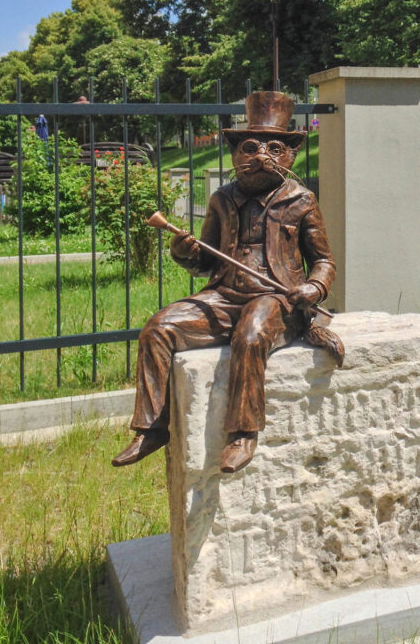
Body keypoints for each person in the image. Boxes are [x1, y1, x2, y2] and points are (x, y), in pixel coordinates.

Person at [112, 91, 340, 473]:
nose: (261, 155)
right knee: (159, 327)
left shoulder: (301, 200)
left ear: (290, 156)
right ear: (235, 155)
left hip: (276, 302)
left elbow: (324, 261)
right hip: (223, 296)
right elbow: (205, 261)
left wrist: (313, 289)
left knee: (250, 335)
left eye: (274, 148)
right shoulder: (222, 200)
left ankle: (243, 433)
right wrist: (185, 250)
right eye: (249, 147)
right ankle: (152, 427)